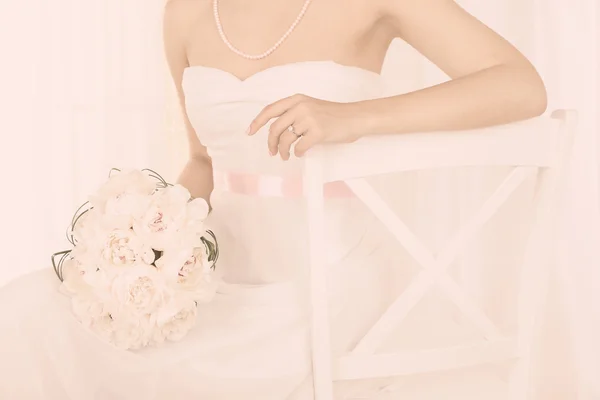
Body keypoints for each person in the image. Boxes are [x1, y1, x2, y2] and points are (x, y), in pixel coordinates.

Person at [0, 0, 548, 398]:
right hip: (221, 280)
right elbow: (204, 164)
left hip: (329, 278)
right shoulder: (185, 13)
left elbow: (522, 86)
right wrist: (146, 248)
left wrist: (357, 119)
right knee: (25, 313)